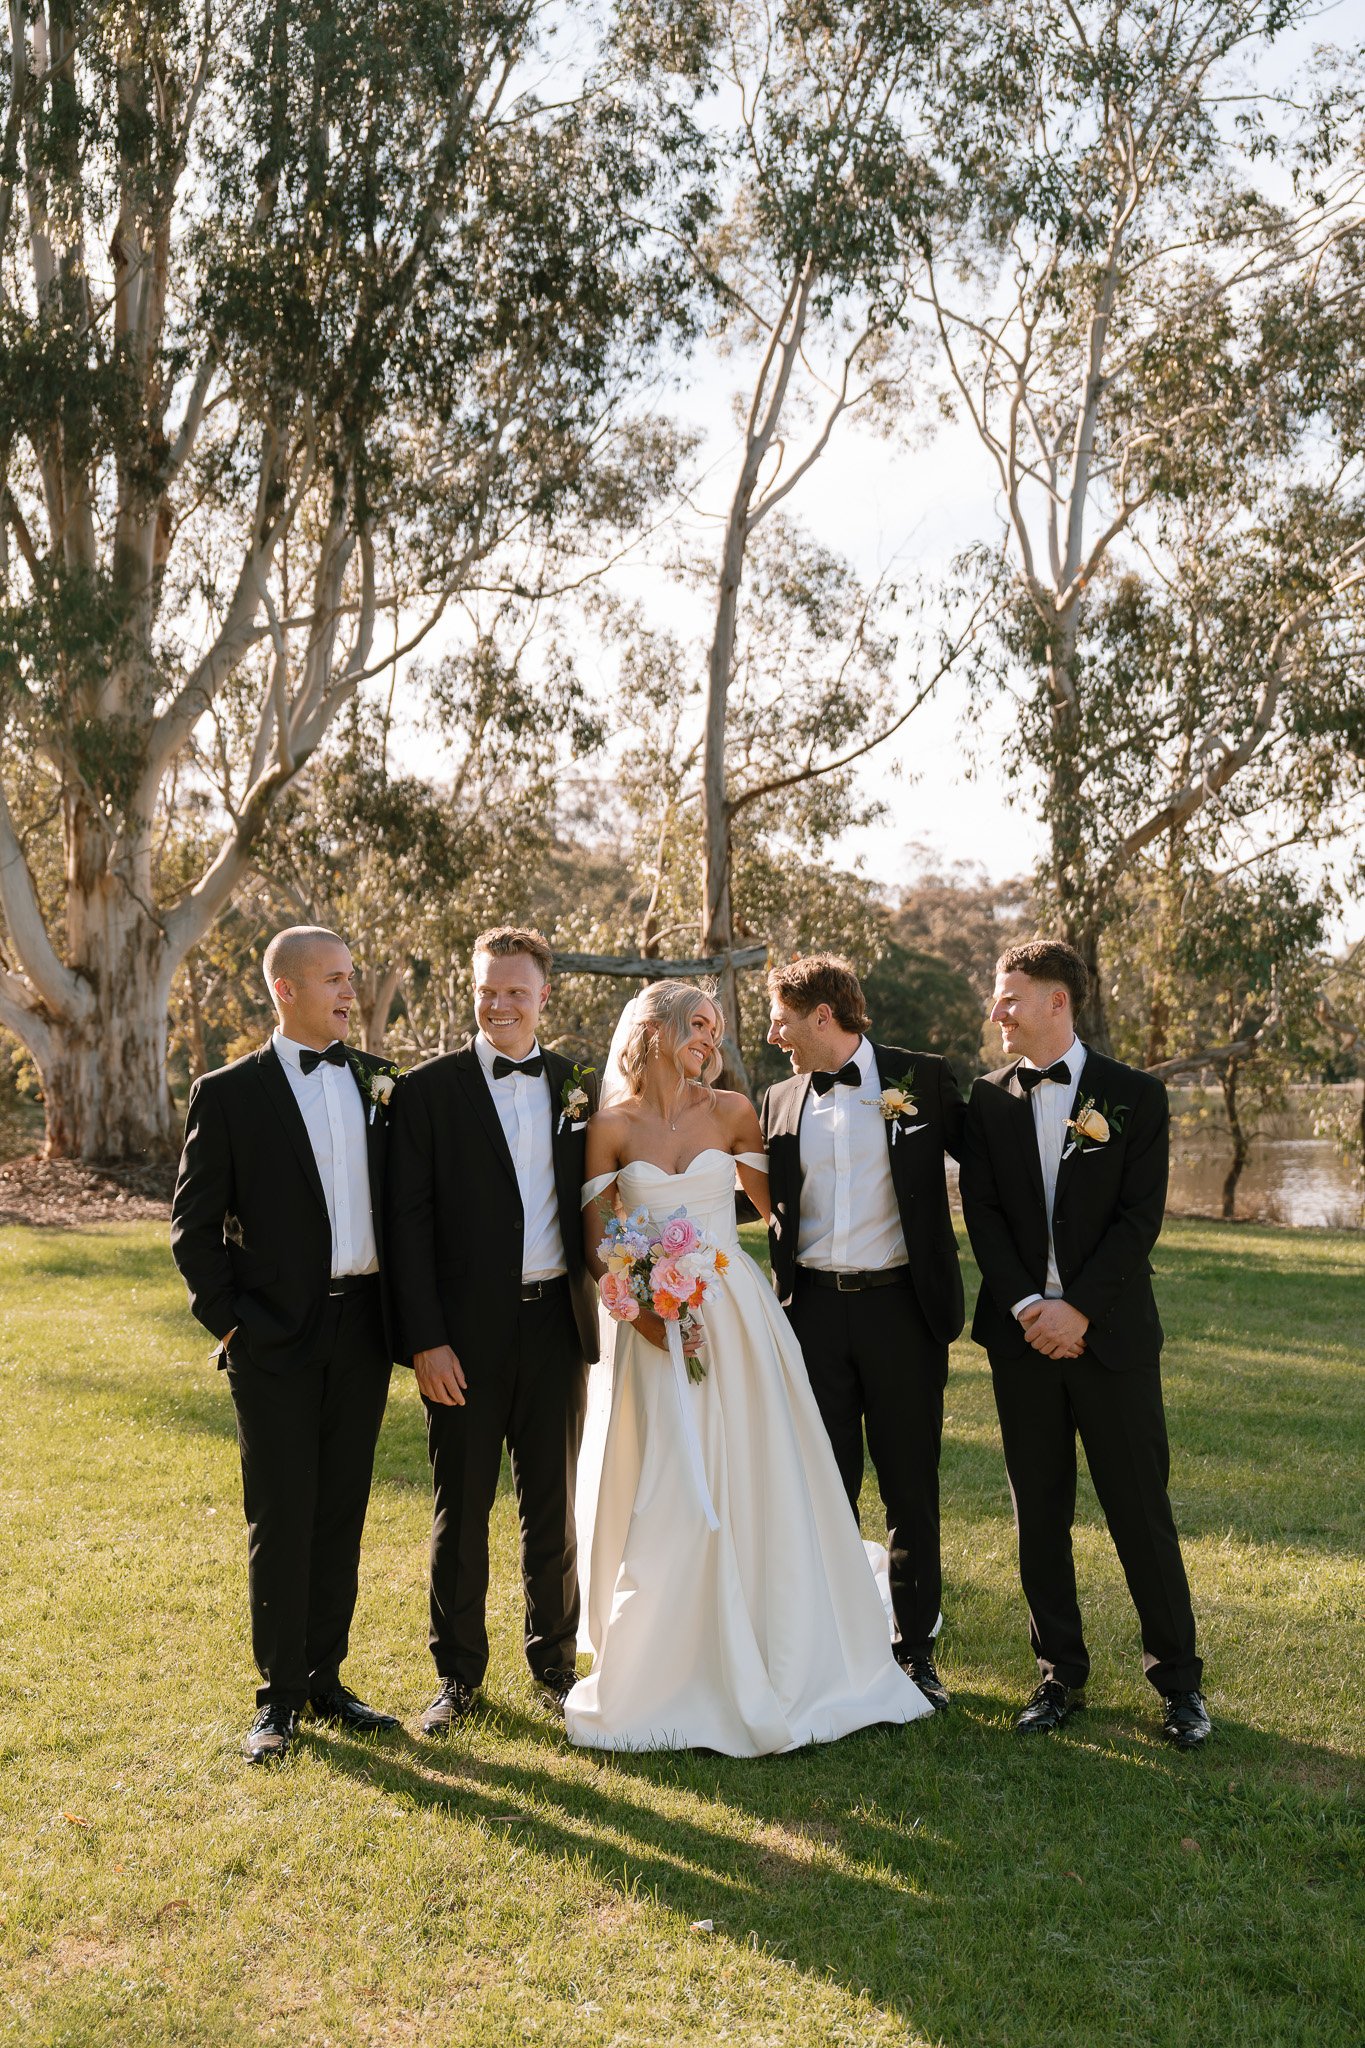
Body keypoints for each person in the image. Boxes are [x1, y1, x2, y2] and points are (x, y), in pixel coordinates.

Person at [564, 982, 933, 1755]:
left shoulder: (733, 1113)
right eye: (698, 1025)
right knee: (664, 1477)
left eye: (718, 1030)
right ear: (655, 1028)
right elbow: (600, 1238)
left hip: (732, 1313)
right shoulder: (607, 1127)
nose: (712, 1040)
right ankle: (665, 1657)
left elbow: (788, 1208)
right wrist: (643, 1302)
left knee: (755, 1468)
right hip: (653, 1324)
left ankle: (780, 1636)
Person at [958, 939, 1210, 1747]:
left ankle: (1178, 1686)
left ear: (1056, 1002)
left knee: (1140, 1513)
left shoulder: (1133, 1095)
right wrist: (1033, 1304)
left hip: (1112, 1341)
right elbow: (984, 1213)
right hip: (1022, 1337)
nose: (995, 1011)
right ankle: (1057, 1675)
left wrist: (1080, 1313)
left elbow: (1139, 1220)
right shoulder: (986, 1097)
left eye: (1008, 997)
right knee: (1039, 1514)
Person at [170, 926, 400, 1763]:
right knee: (281, 1514)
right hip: (272, 1339)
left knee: (340, 1511)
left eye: (352, 977)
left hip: (363, 1331)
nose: (350, 992)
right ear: (286, 991)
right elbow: (192, 1230)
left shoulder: (380, 1082)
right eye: (335, 979)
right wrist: (233, 1323)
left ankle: (328, 1679)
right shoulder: (227, 1093)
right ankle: (278, 1699)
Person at [385, 927, 600, 1731]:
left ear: (544, 996)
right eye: (486, 990)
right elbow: (405, 1225)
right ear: (469, 991)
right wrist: (424, 1340)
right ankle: (458, 1679)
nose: (500, 1003)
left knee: (553, 1506)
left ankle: (554, 1666)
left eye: (515, 991)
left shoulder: (580, 1086)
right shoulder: (427, 1090)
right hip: (460, 1341)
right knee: (460, 1508)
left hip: (557, 1328)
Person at [761, 954, 965, 1710]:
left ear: (822, 1016)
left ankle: (914, 1654)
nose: (773, 1033)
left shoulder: (923, 1078)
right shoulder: (777, 1098)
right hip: (811, 1314)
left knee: (911, 1488)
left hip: (902, 1313)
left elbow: (992, 1167)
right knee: (825, 1488)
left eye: (781, 1018)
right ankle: (836, 1646)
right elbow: (754, 1198)